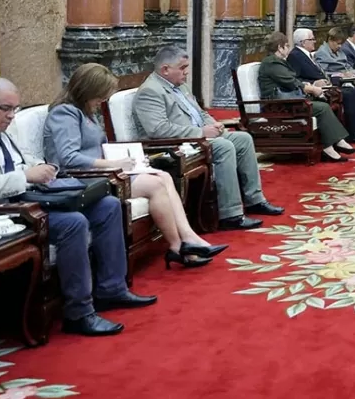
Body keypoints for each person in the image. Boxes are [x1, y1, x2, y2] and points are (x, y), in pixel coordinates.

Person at [0, 78, 155, 336]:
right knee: (73, 223)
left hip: (32, 198)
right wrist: (25, 177)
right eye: (6, 109)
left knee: (108, 205)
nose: (12, 116)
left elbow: (19, 162)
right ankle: (79, 313)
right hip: (2, 213)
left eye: (16, 109)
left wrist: (45, 168)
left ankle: (112, 289)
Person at [44, 63, 226, 269]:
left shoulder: (85, 111)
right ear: (87, 90)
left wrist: (132, 160)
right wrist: (113, 163)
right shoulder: (65, 114)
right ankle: (177, 246)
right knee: (155, 185)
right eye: (100, 95)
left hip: (102, 172)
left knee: (163, 176)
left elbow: (97, 147)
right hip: (82, 178)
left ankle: (189, 238)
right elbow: (69, 158)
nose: (102, 100)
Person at [133, 46, 284, 231]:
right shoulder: (150, 92)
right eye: (182, 68)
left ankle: (255, 200)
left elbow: (200, 112)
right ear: (165, 69)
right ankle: (231, 214)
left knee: (243, 139)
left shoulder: (180, 85)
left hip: (200, 137)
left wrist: (214, 124)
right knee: (223, 146)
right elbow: (158, 129)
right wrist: (201, 133)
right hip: (177, 144)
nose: (186, 72)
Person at [258, 32, 355, 163]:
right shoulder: (272, 63)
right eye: (287, 45)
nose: (289, 48)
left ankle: (335, 142)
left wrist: (310, 85)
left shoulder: (277, 62)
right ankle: (329, 147)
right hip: (279, 105)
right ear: (280, 47)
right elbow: (292, 82)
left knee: (322, 102)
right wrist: (312, 88)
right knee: (322, 107)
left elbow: (293, 80)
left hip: (288, 100)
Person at [289, 28, 355, 144]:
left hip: (326, 84)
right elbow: (296, 79)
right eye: (312, 39)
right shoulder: (295, 55)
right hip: (317, 90)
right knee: (349, 94)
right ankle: (354, 133)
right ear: (303, 42)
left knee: (352, 91)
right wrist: (314, 83)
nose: (315, 41)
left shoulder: (306, 54)